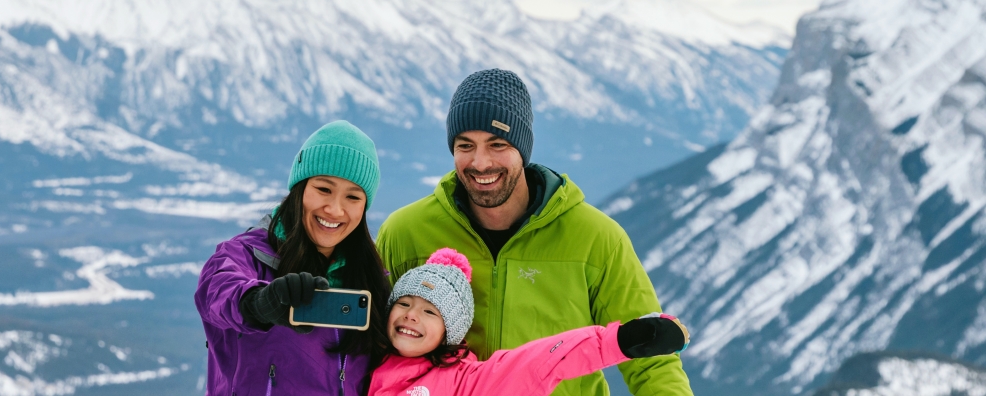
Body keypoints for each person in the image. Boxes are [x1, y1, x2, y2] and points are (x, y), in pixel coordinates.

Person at [377, 69, 694, 396]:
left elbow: (650, 357)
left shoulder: (596, 238)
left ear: (523, 148)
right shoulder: (406, 232)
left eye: (497, 143)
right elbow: (358, 340)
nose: (480, 162)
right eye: (465, 145)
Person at [196, 120, 393, 396]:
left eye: (353, 197)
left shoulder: (371, 280)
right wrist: (259, 303)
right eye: (324, 189)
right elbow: (215, 290)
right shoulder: (246, 255)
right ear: (299, 190)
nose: (335, 209)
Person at [370, 248, 689, 396]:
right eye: (404, 303)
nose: (411, 314)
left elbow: (542, 361)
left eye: (430, 312)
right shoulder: (359, 357)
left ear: (450, 331)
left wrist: (619, 341)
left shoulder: (469, 382)